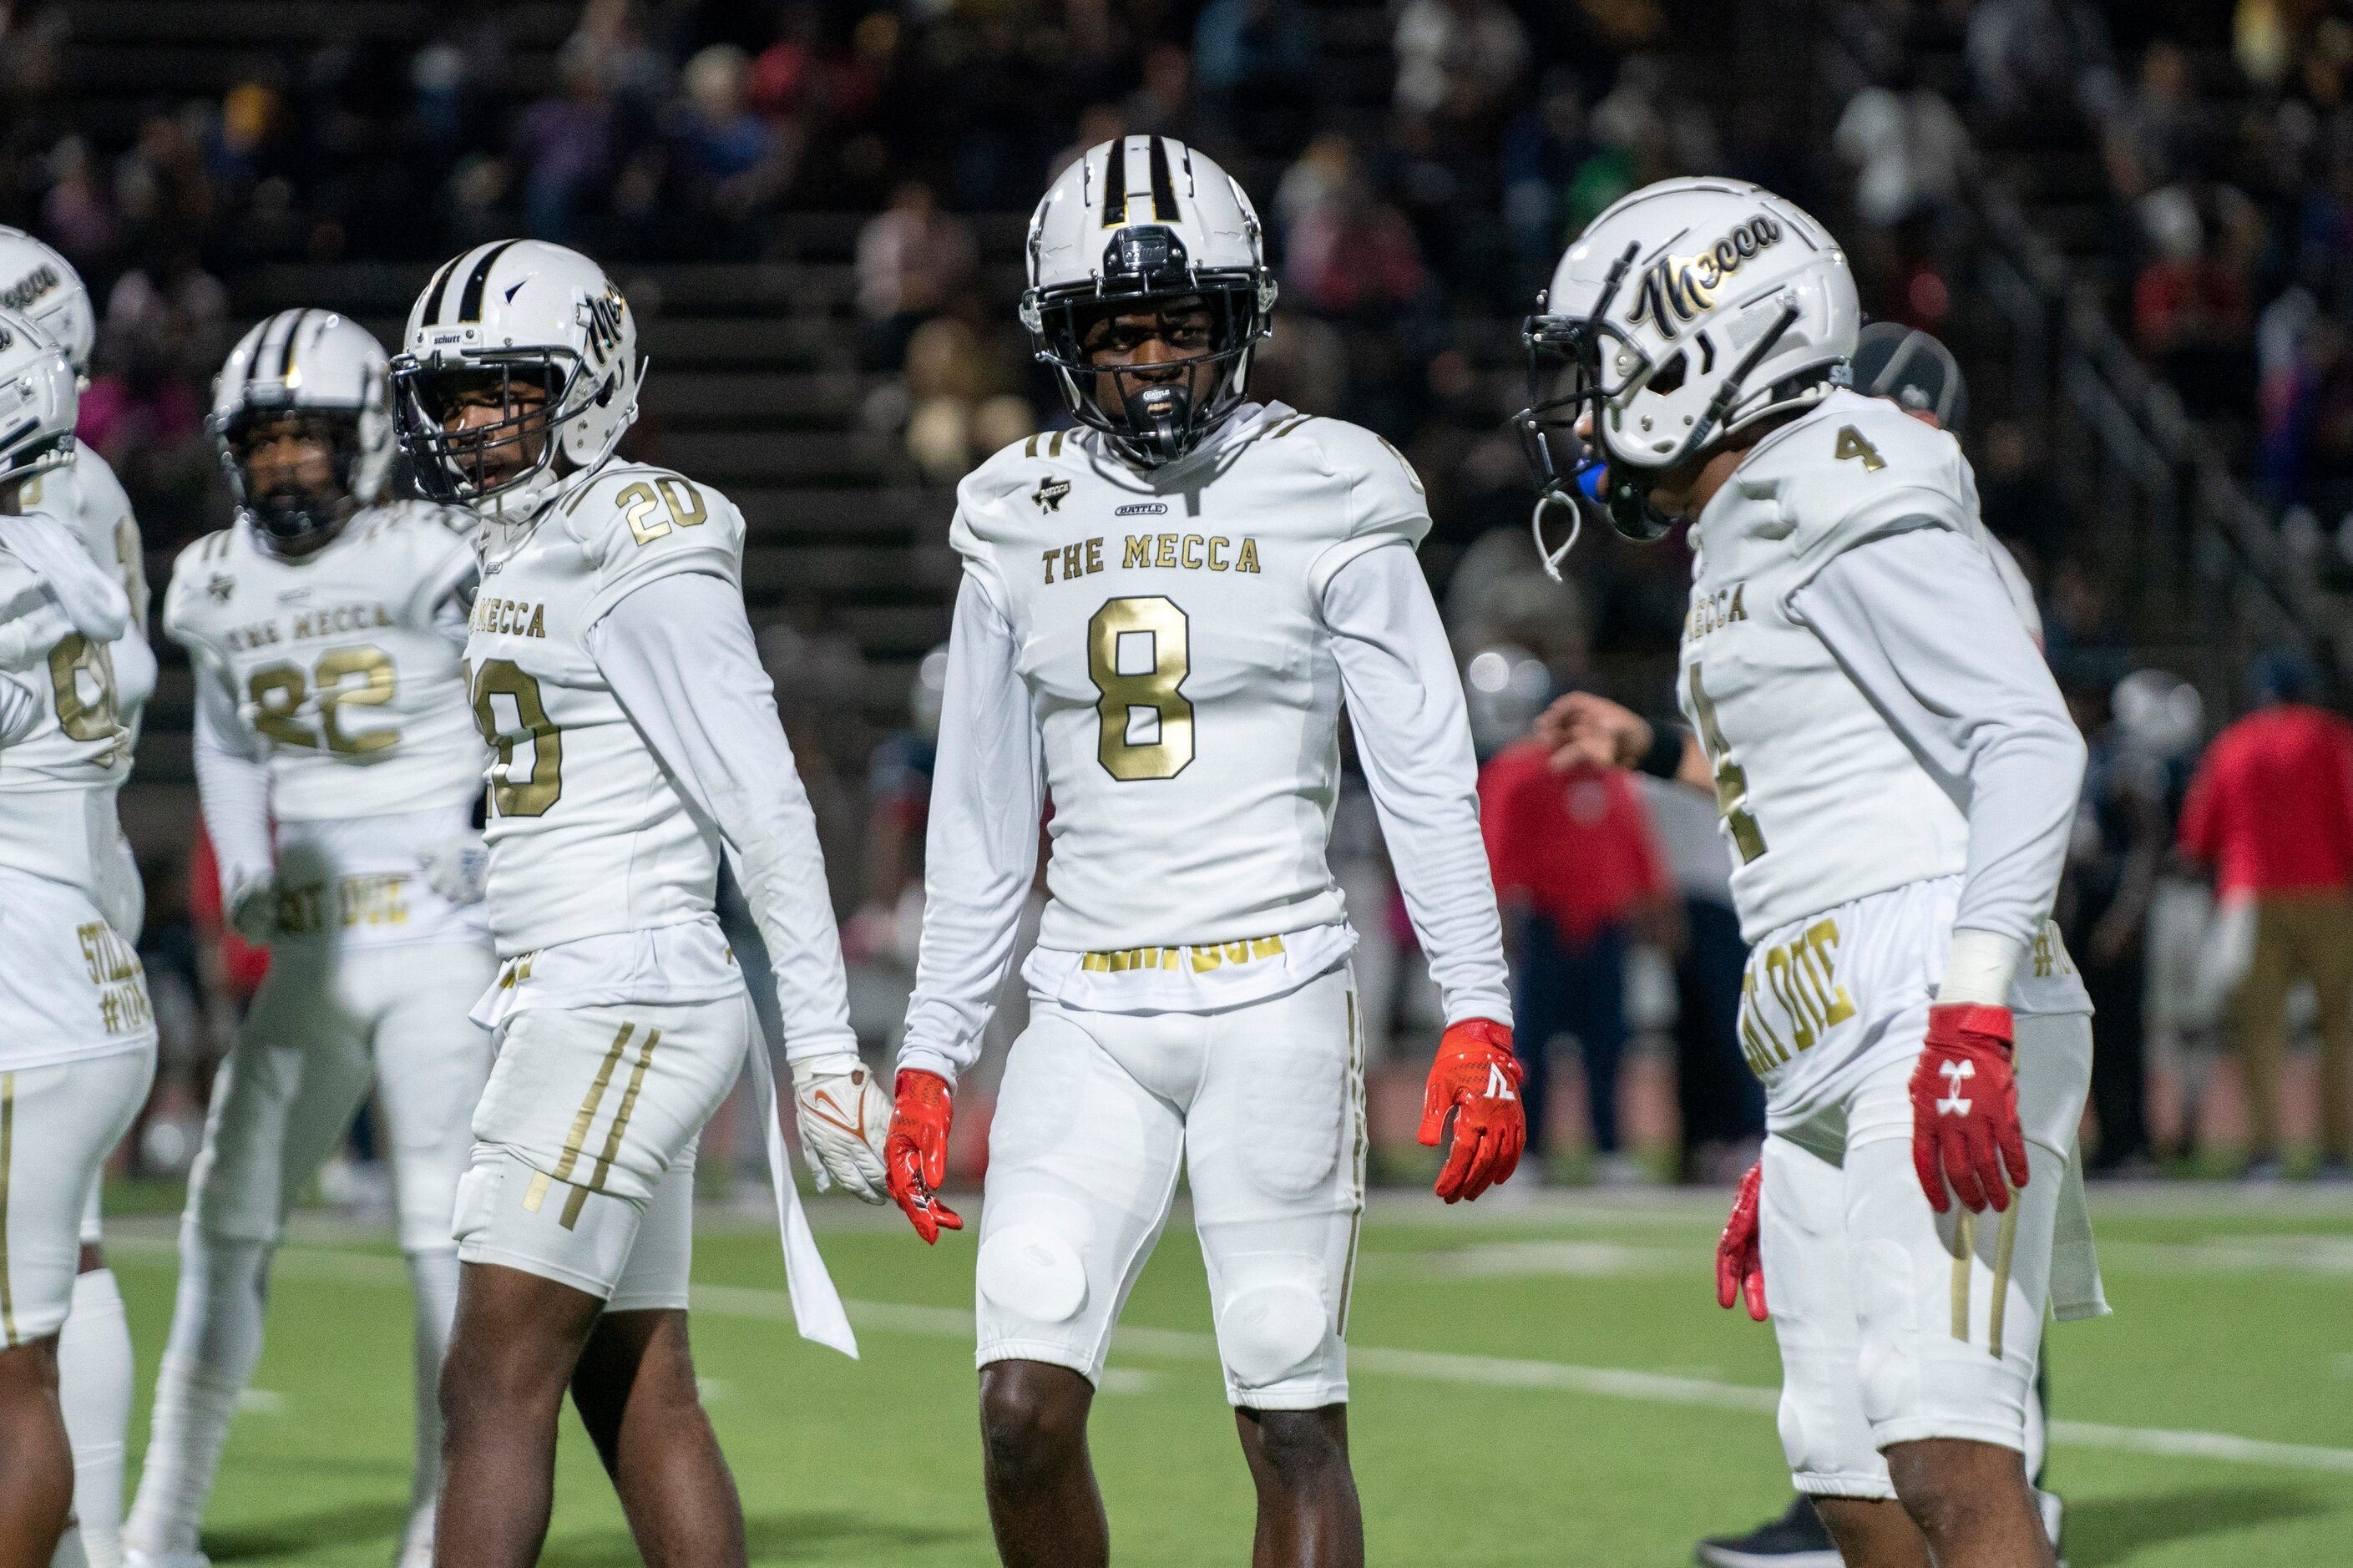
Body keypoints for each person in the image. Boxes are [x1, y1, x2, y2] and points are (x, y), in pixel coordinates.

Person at [884, 136, 1521, 1568]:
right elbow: (982, 817)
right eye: (1120, 328)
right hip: (1087, 1005)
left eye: (1181, 321)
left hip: (1274, 988)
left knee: (1290, 1397)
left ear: (1241, 321)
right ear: (1063, 338)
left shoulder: (1331, 486)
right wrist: (932, 1047)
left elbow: (1423, 774)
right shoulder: (1010, 512)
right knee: (1019, 1411)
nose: (1156, 356)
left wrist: (1478, 1008)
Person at [1519, 180, 2100, 1568]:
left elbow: (2024, 739)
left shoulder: (1840, 471)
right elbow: (1808, 788)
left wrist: (1962, 1016)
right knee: (1847, 1479)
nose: (1585, 412)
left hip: (1925, 993)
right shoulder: (1749, 521)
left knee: (1946, 1447)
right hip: (1832, 1020)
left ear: (1699, 350)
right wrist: (1806, 1087)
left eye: (1606, 368)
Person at [386, 239, 888, 1568]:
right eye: (446, 398)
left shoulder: (637, 532)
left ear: (590, 381)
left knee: (490, 1377)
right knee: (633, 1379)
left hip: (624, 992)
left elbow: (765, 804)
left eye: (502, 388)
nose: (469, 423)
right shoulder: (529, 541)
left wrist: (826, 1053)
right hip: (590, 987)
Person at [127, 311, 490, 1568]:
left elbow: (528, 693)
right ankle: (160, 1525)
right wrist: (250, 874)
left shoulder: (433, 553)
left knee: (443, 1242)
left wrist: (491, 828)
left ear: (371, 439)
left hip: (443, 940)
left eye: (308, 438)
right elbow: (227, 735)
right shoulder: (214, 578)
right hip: (318, 949)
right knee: (223, 1222)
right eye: (265, 442)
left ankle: (443, 1528)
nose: (284, 465)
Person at [0, 306, 157, 1568]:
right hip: (80, 973)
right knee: (24, 1349)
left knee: (12, 1379)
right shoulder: (58, 549)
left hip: (23, 1004)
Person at [2176, 650, 2353, 1179]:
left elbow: (2197, 835)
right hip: (2327, 893)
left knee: (2258, 1032)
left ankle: (2264, 1154)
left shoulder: (2234, 742)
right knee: (2339, 1027)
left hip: (2250, 894)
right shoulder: (2332, 736)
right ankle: (2337, 1153)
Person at [1478, 726, 1673, 1181]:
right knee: (1529, 1046)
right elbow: (1501, 844)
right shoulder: (1523, 772)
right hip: (1544, 921)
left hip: (1606, 926)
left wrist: (1655, 903)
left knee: (1607, 1045)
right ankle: (1525, 1154)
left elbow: (1635, 844)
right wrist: (1502, 910)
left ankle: (1610, 1150)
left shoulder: (1613, 777)